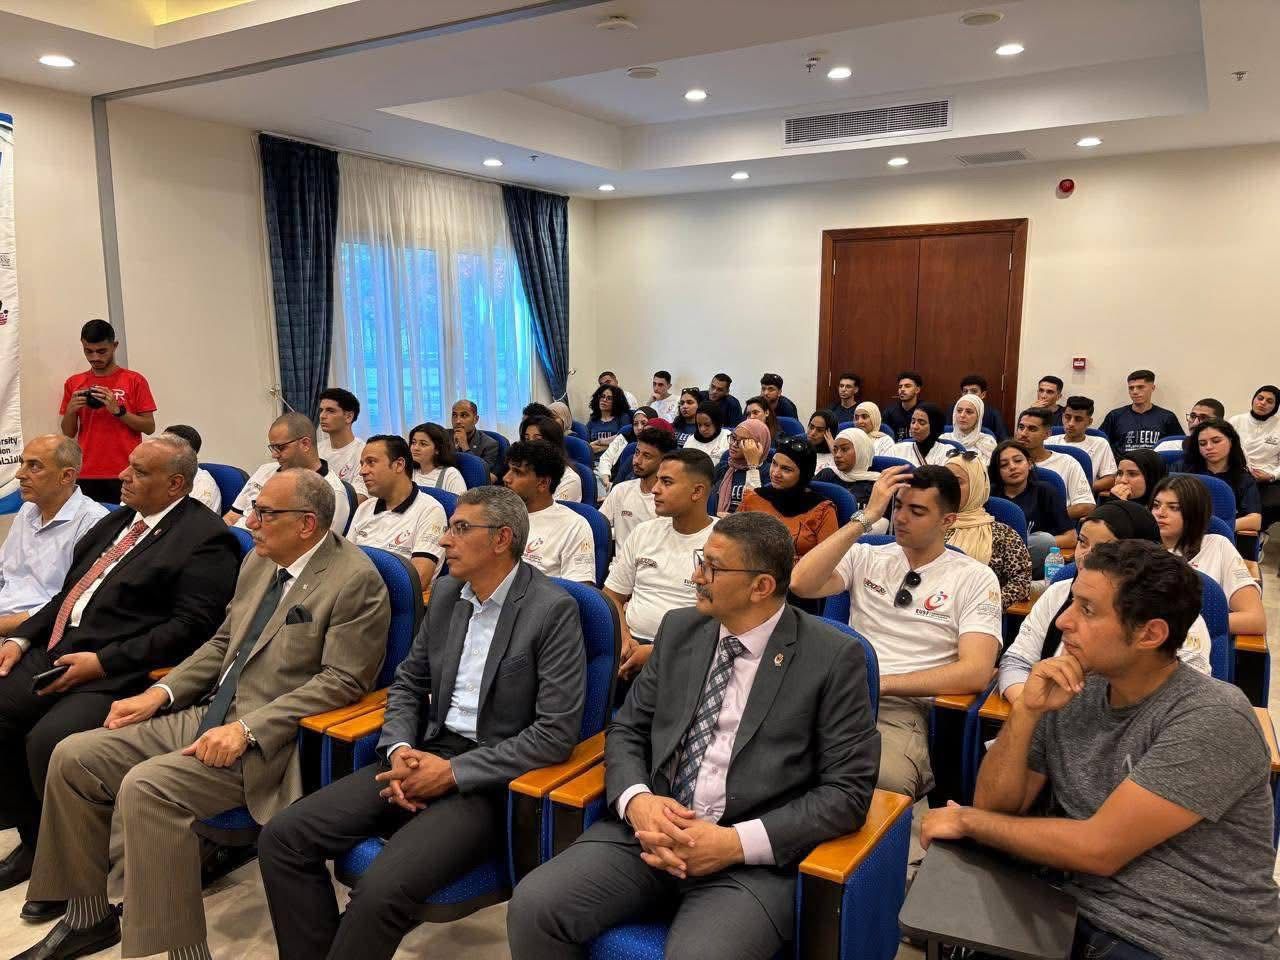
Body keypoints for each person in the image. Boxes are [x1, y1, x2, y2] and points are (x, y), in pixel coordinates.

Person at [15, 470, 390, 960]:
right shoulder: (260, 560)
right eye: (254, 509)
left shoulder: (354, 580)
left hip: (271, 740)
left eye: (265, 513)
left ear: (306, 524)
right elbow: (222, 643)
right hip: (209, 710)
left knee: (147, 788)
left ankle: (185, 953)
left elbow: (342, 681)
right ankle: (88, 917)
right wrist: (162, 692)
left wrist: (247, 728)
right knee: (73, 757)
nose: (250, 521)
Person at [507, 512, 880, 960]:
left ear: (761, 586)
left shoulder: (833, 657)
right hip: (652, 831)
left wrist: (734, 843)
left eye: (712, 568)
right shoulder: (680, 629)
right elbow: (628, 728)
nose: (697, 576)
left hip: (746, 861)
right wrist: (638, 801)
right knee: (534, 907)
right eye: (701, 560)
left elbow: (847, 792)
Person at [259, 485, 583, 960]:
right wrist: (399, 749)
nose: (445, 540)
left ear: (501, 539)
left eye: (461, 528)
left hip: (489, 781)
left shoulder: (551, 610)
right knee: (283, 837)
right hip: (422, 753)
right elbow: (409, 682)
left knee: (380, 890)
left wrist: (451, 773)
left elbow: (554, 734)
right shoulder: (449, 594)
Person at [921, 540, 1280, 960]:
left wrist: (967, 821)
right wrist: (1027, 712)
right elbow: (997, 805)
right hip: (1068, 910)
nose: (1064, 621)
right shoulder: (1075, 688)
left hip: (1179, 939)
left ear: (1150, 634)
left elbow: (1098, 848)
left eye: (1088, 610)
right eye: (1072, 602)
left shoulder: (1212, 716)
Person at [0, 435, 239, 905]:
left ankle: (73, 869)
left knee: (49, 741)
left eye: (139, 472)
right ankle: (36, 840)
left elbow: (191, 629)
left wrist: (103, 663)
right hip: (63, 647)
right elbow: (68, 595)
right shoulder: (119, 521)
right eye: (128, 466)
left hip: (123, 668)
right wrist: (21, 637)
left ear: (175, 484)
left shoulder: (207, 539)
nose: (122, 477)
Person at [791, 465, 1000, 799]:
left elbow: (975, 671)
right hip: (836, 692)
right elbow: (801, 584)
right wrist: (865, 518)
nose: (901, 518)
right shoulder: (866, 554)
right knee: (773, 762)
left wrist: (881, 683)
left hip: (902, 707)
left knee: (873, 783)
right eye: (898, 506)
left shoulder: (974, 577)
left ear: (947, 521)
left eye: (917, 511)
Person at [999, 500, 1212, 701]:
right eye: (1083, 542)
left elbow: (1189, 695)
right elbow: (1017, 662)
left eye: (1105, 549)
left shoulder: (1177, 616)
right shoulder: (1058, 593)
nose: (1086, 556)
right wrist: (1035, 708)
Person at [604, 449, 717, 681]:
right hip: (629, 643)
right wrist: (623, 638)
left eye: (666, 482)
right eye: (657, 481)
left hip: (689, 654)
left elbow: (723, 620)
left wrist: (657, 652)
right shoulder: (644, 532)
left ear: (697, 491)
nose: (655, 489)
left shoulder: (722, 542)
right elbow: (612, 595)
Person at [0, 437, 107, 638]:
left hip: (36, 632)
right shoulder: (27, 510)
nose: (19, 474)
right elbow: (3, 571)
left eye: (34, 466)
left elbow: (73, 604)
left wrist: (4, 625)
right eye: (22, 463)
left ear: (66, 476)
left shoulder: (93, 523)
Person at [1151, 475, 1265, 636]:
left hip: (1197, 644)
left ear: (1194, 513)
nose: (1160, 513)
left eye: (1173, 507)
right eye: (1156, 505)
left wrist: (1182, 626)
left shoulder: (1218, 546)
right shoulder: (1140, 548)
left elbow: (1255, 620)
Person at [59, 319, 157, 503]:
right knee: (91, 522)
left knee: (125, 520)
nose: (95, 357)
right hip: (86, 471)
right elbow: (68, 432)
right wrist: (71, 410)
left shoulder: (134, 380)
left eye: (102, 351)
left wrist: (118, 411)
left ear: (114, 346)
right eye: (88, 351)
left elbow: (149, 427)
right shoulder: (74, 383)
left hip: (126, 470)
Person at [224, 413, 351, 535]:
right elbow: (232, 517)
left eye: (280, 447)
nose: (274, 455)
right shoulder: (265, 470)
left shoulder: (333, 492)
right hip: (233, 540)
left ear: (305, 444)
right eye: (273, 448)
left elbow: (318, 545)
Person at [349, 435, 448, 587]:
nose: (362, 471)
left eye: (371, 462)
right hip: (356, 591)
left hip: (388, 598)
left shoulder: (430, 510)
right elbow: (344, 562)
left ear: (399, 465)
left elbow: (418, 579)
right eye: (362, 464)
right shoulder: (365, 507)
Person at [944, 449, 1031, 610]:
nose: (949, 488)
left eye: (957, 482)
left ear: (976, 484)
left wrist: (985, 605)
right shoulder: (930, 527)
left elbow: (1021, 583)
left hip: (981, 614)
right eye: (945, 482)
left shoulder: (1004, 535)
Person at [503, 440, 596, 583]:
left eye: (517, 472)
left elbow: (579, 591)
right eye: (509, 470)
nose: (506, 478)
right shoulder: (497, 514)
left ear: (543, 483)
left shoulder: (574, 526)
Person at [739, 435, 838, 562]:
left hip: (800, 573)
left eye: (786, 469)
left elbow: (828, 561)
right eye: (774, 464)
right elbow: (733, 543)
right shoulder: (753, 498)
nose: (775, 473)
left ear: (804, 474)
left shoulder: (823, 510)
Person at [989, 440, 1074, 579]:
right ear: (997, 472)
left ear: (1029, 464)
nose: (1012, 467)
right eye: (1004, 465)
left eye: (1018, 461)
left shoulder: (1046, 491)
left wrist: (1028, 545)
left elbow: (1071, 538)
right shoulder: (989, 496)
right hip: (996, 559)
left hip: (1034, 561)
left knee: (1043, 540)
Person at [1175, 417, 1263, 537]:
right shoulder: (1182, 470)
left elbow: (1255, 520)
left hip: (1221, 537)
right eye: (1202, 443)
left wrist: (1213, 527)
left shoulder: (1243, 479)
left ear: (1231, 442)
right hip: (1181, 532)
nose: (1209, 447)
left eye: (1216, 441)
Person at [599, 427, 678, 549]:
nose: (637, 460)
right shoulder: (620, 490)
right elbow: (599, 527)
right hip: (620, 560)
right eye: (637, 453)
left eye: (647, 456)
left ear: (663, 461)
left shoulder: (670, 500)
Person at [1015, 407, 1095, 520]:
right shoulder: (1006, 462)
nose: (1023, 433)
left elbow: (1086, 506)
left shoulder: (1067, 463)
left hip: (1053, 526)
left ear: (1047, 434)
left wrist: (1049, 519)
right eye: (1021, 427)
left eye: (1032, 429)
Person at [1230, 384, 1280, 535]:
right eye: (1260, 398)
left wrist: (1272, 475)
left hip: (1268, 479)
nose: (1263, 403)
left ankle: (1256, 536)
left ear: (1276, 406)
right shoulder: (1236, 421)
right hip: (1237, 475)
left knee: (1269, 505)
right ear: (1253, 399)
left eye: (1269, 401)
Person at [1099, 369, 1181, 454]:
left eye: (1140, 387)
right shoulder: (1115, 416)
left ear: (1152, 388)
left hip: (1156, 462)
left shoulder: (1167, 417)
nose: (1135, 392)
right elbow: (1100, 444)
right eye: (1131, 388)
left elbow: (1179, 447)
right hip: (1122, 462)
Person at [1057, 396, 1117, 494]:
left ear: (1089, 422)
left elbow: (1110, 479)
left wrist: (1080, 490)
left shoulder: (1100, 444)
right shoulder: (1047, 441)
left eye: (1078, 419)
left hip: (1082, 496)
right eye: (1067, 417)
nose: (1071, 423)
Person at [713, 418, 772, 516]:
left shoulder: (769, 473)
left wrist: (753, 466)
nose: (734, 444)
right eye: (733, 437)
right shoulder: (723, 467)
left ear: (759, 445)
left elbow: (757, 511)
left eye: (744, 441)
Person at [316, 387, 367, 498]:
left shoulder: (363, 452)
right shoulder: (316, 450)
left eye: (330, 411)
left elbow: (359, 497)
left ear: (348, 417)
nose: (322, 416)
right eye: (321, 410)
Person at [814, 427, 880, 512]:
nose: (837, 455)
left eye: (844, 449)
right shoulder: (827, 474)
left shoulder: (876, 485)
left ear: (861, 451)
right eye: (835, 450)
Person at [595, 406, 657, 493]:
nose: (639, 427)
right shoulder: (625, 436)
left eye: (643, 423)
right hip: (609, 480)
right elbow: (606, 458)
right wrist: (606, 480)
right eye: (635, 424)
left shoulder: (655, 447)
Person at [523, 415, 584, 503]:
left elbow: (551, 510)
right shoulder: (525, 469)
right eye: (527, 439)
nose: (529, 444)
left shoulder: (569, 479)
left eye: (537, 439)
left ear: (553, 444)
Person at [162, 424, 221, 513]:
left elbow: (194, 521)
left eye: (164, 445)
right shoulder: (158, 474)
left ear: (187, 452)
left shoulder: (203, 486)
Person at [408, 421, 467, 495]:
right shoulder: (409, 472)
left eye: (423, 444)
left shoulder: (451, 475)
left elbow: (461, 502)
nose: (415, 448)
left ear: (437, 449)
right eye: (413, 443)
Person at [450, 400, 501, 482]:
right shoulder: (444, 437)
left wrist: (465, 447)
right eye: (454, 415)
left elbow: (483, 477)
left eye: (464, 415)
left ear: (476, 419)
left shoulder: (489, 444)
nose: (457, 421)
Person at [888, 402, 951, 467]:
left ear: (934, 426)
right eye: (913, 422)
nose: (915, 427)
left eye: (922, 423)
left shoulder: (947, 451)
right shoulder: (896, 449)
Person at [940, 394, 996, 463]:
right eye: (959, 411)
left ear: (978, 417)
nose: (962, 415)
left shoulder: (987, 442)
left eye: (969, 412)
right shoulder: (943, 439)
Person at [1156, 398, 1223, 453]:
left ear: (1219, 422)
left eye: (1203, 418)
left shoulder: (1224, 452)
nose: (1195, 423)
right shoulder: (1166, 448)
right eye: (1193, 416)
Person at [960, 373, 1009, 440]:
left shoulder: (993, 414)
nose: (969, 394)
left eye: (974, 391)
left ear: (983, 394)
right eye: (965, 391)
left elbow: (1003, 439)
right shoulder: (953, 410)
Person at [587, 384, 631, 456]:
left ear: (616, 402)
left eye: (609, 398)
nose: (604, 400)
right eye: (602, 396)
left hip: (615, 459)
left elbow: (624, 440)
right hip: (594, 460)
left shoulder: (623, 418)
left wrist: (599, 445)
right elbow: (587, 446)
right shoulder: (593, 420)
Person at [882, 370, 923, 441]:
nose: (902, 389)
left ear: (917, 390)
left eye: (907, 386)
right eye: (900, 387)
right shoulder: (890, 411)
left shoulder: (926, 410)